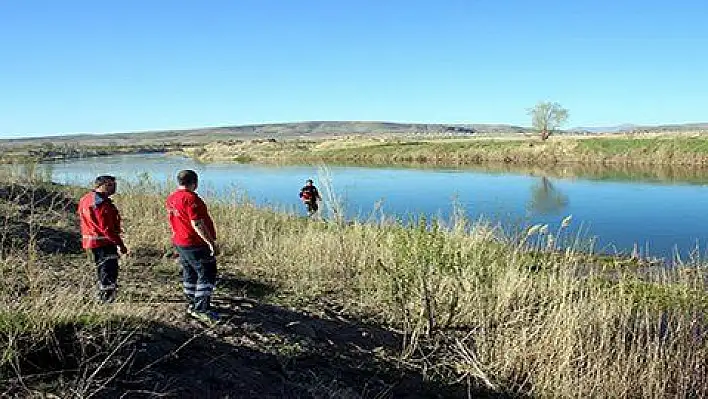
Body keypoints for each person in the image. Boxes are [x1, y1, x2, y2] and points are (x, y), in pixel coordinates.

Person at [165, 170, 220, 324]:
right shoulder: (191, 199)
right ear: (195, 183)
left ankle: (192, 301)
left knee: (190, 271)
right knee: (207, 273)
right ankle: (201, 308)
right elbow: (197, 223)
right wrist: (211, 243)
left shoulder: (172, 197)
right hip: (195, 243)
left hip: (180, 242)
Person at [78, 175, 128, 303]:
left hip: (92, 240)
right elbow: (106, 228)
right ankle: (107, 297)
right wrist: (120, 244)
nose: (114, 188)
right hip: (103, 241)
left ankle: (104, 293)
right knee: (109, 269)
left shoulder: (86, 199)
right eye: (111, 185)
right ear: (102, 185)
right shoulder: (100, 203)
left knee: (102, 268)